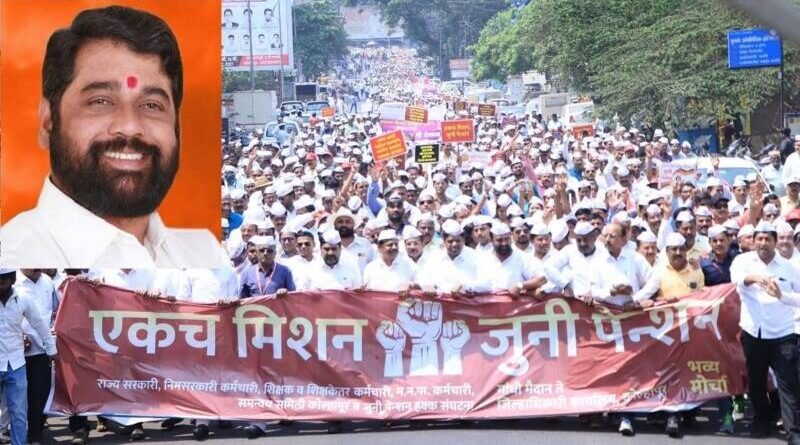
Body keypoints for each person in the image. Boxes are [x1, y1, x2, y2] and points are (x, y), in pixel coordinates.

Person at [1, 6, 227, 268]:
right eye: (101, 101)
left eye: (151, 105)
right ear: (47, 121)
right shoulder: (11, 258)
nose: (130, 126)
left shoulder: (206, 254)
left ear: (177, 127)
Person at [730, 221, 800, 443]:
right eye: (759, 238)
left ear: (775, 241)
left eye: (767, 239)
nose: (763, 243)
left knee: (788, 384)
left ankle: (793, 431)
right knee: (756, 382)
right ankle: (762, 420)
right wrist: (755, 278)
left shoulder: (790, 267)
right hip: (754, 332)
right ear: (753, 241)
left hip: (783, 333)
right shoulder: (742, 261)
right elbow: (737, 279)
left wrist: (781, 295)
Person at [0, 268, 57, 445]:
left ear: (11, 280)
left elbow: (39, 323)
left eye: (3, 280)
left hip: (16, 364)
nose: (0, 284)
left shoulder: (23, 298)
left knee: (18, 412)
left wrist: (51, 349)